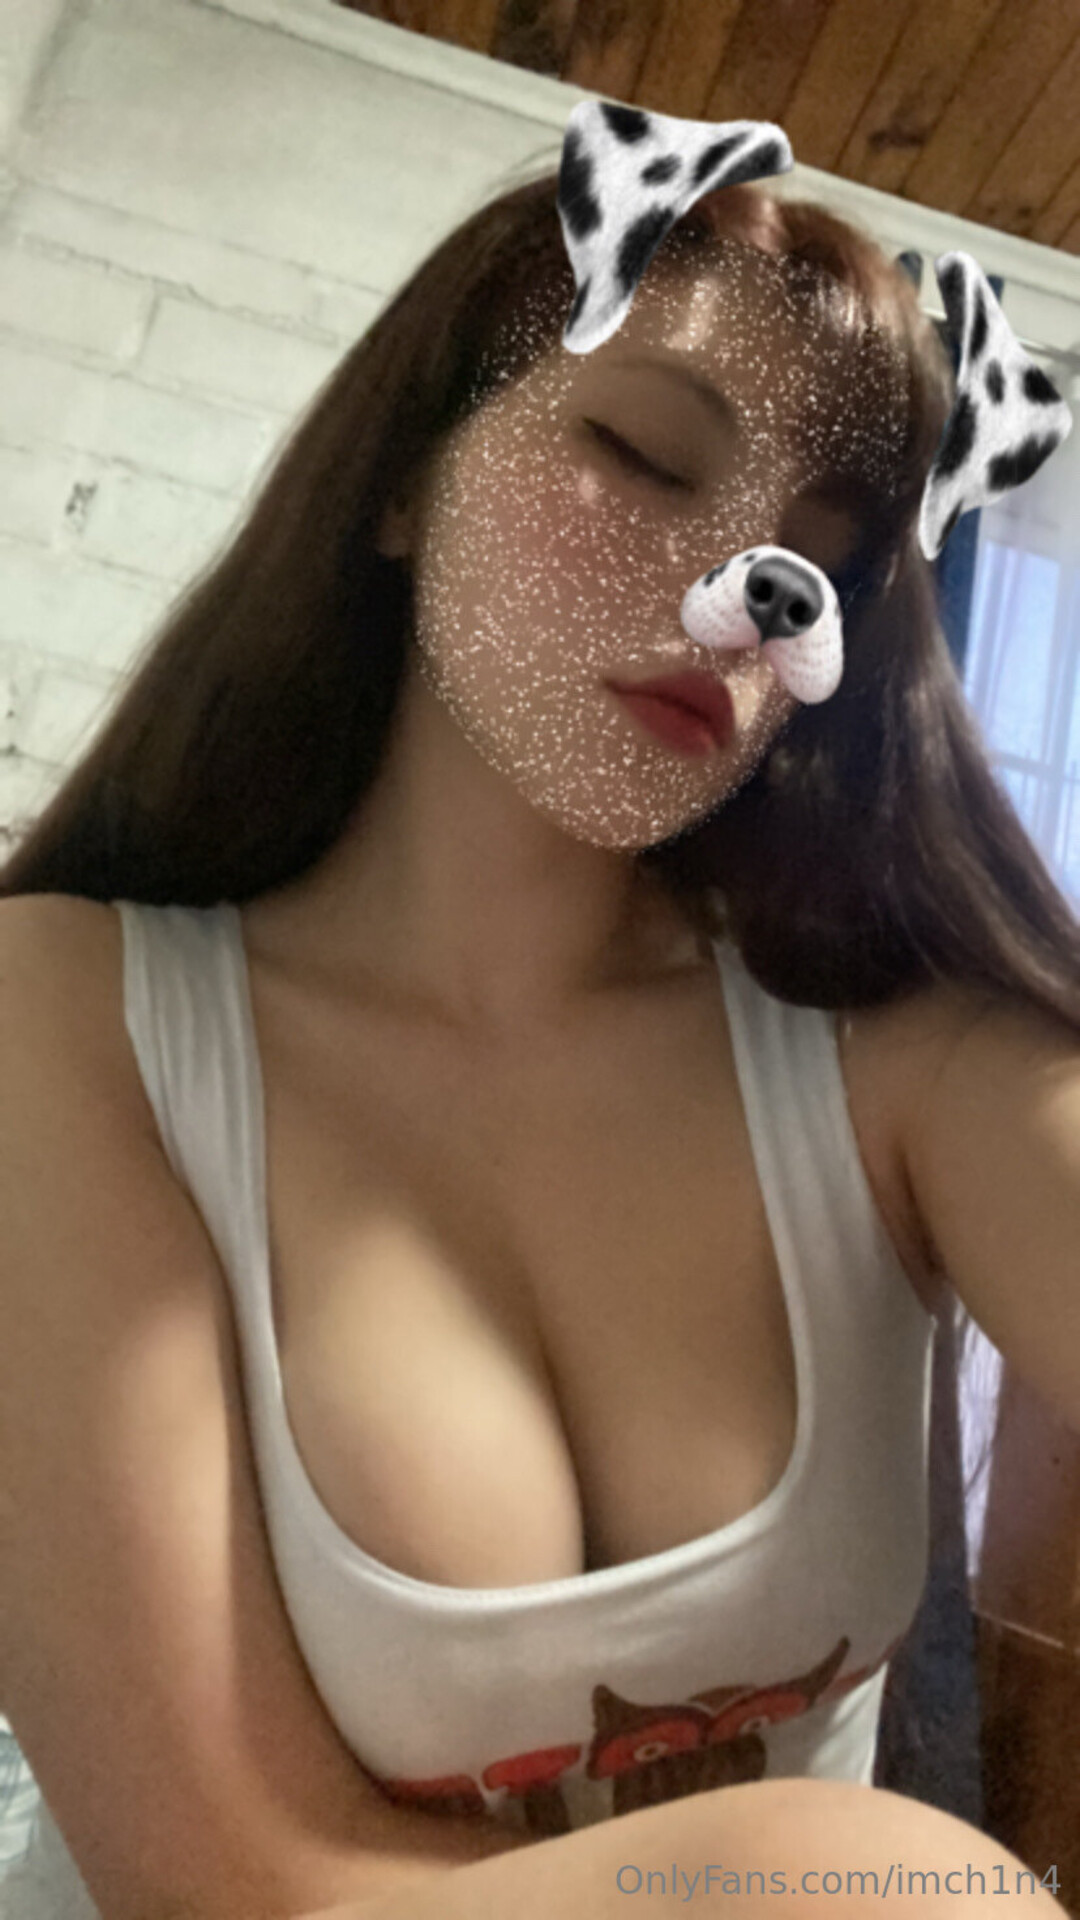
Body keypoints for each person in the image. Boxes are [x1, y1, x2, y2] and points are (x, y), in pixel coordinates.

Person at [1, 162, 1078, 1920]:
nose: (753, 582)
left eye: (829, 559)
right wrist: (869, 1876)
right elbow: (228, 1881)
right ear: (404, 479)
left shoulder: (897, 1054)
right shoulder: (65, 1013)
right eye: (647, 454)